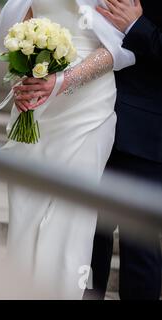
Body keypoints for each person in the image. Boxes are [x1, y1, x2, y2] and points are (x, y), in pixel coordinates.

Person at [0, 0, 135, 298]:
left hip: (88, 105)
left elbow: (118, 45)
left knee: (71, 216)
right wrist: (24, 80)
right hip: (36, 98)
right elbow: (19, 29)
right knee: (25, 208)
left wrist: (61, 82)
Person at [85, 0, 162, 300]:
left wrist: (136, 27)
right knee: (88, 237)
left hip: (144, 135)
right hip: (89, 119)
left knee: (138, 244)